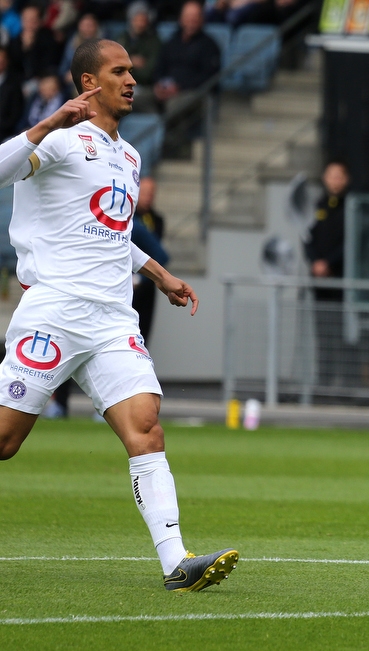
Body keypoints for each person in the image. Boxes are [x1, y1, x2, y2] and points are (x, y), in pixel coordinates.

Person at [0, 38, 237, 591]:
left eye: (133, 70)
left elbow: (114, 233)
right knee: (5, 442)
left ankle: (178, 562)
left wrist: (159, 274)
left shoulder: (128, 156)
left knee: (146, 429)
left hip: (111, 319)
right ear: (89, 83)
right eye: (119, 71)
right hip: (54, 308)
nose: (132, 79)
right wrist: (44, 125)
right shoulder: (59, 141)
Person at [305, 160, 349, 302]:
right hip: (318, 277)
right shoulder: (317, 205)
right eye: (331, 176)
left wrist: (329, 263)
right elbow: (307, 236)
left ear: (346, 179)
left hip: (341, 276)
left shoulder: (352, 207)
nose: (335, 180)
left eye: (339, 176)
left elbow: (350, 242)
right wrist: (315, 263)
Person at [131, 176, 168, 343]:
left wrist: (140, 279)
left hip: (146, 286)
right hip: (124, 285)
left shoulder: (156, 220)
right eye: (144, 192)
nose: (148, 197)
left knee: (142, 334)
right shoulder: (128, 217)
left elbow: (160, 256)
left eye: (151, 194)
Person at [117, 1, 162, 113]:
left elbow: (148, 73)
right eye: (137, 19)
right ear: (131, 20)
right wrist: (131, 62)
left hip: (145, 87)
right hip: (120, 86)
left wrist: (125, 68)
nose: (140, 23)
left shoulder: (154, 42)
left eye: (143, 20)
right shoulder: (122, 39)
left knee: (121, 100)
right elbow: (113, 67)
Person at [0, 46, 24, 142]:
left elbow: (14, 116)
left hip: (5, 134)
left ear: (7, 61)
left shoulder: (14, 84)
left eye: (2, 59)